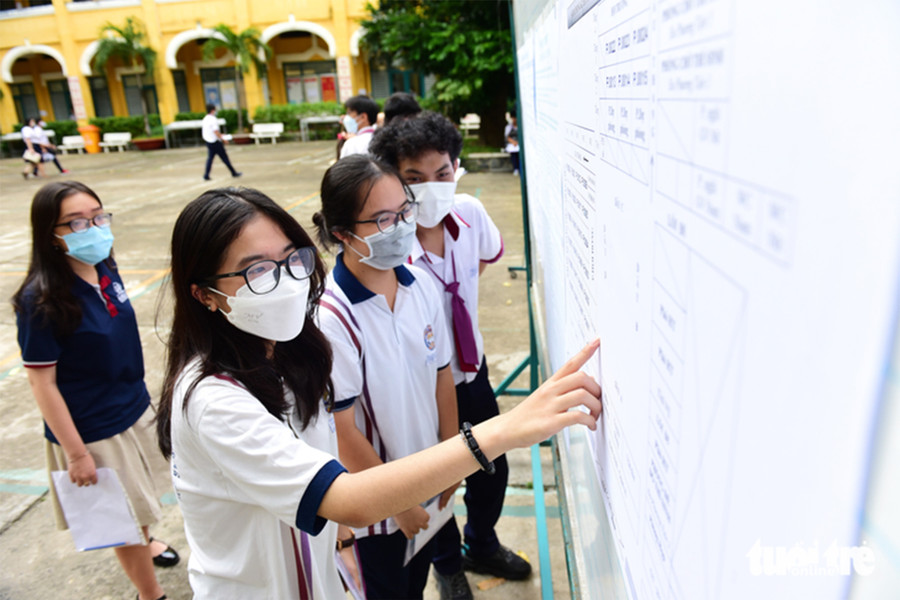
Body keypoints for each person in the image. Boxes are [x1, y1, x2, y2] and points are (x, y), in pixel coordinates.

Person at [155, 185, 602, 599]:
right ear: (204, 295)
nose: (288, 281)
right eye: (257, 271)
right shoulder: (213, 399)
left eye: (292, 260)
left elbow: (318, 457)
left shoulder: (289, 354)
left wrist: (340, 540)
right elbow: (350, 499)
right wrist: (503, 431)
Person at [370, 112, 521, 599]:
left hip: (470, 373)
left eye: (442, 174)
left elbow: (485, 256)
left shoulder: (471, 212)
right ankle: (447, 562)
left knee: (492, 469)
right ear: (393, 180)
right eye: (414, 179)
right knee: (437, 482)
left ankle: (481, 541)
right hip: (420, 388)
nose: (432, 187)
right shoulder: (388, 241)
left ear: (456, 168)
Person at [12, 181, 178, 600]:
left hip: (132, 406)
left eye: (99, 216)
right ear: (51, 232)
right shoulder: (41, 300)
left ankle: (147, 542)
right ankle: (150, 593)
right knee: (122, 522)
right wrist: (77, 453)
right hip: (93, 428)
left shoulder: (103, 266)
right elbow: (41, 381)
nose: (95, 228)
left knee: (141, 500)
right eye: (78, 222)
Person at [314, 155, 458, 598]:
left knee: (414, 583)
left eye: (403, 212)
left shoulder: (420, 285)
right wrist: (400, 504)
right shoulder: (331, 315)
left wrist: (454, 461)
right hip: (382, 504)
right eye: (381, 219)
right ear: (342, 233)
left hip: (429, 479)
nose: (400, 227)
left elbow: (441, 377)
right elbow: (342, 428)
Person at [201, 103, 242, 181]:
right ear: (213, 110)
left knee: (210, 159)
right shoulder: (213, 119)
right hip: (215, 141)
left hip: (208, 141)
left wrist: (221, 135)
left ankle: (206, 175)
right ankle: (233, 172)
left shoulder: (205, 119)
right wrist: (223, 138)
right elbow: (215, 131)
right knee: (224, 157)